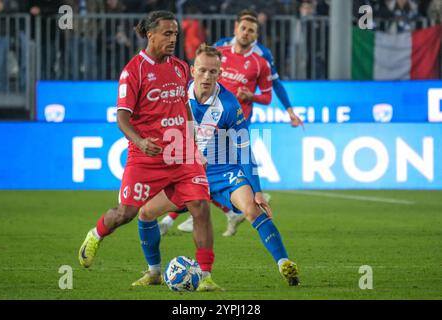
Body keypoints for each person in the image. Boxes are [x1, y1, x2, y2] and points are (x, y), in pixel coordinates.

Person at [78, 11, 222, 292]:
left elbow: (186, 109)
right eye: (167, 33)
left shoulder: (181, 68)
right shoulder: (133, 71)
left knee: (200, 207)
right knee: (126, 213)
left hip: (181, 154)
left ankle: (205, 276)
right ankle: (96, 233)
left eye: (176, 34)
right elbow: (122, 118)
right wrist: (141, 142)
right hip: (146, 156)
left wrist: (193, 144)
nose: (173, 39)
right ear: (150, 34)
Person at [140, 44, 300, 286]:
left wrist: (257, 190)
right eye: (203, 70)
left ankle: (284, 264)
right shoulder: (176, 95)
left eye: (213, 72)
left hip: (224, 172)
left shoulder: (229, 104)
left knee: (252, 209)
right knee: (145, 212)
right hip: (188, 174)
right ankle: (153, 273)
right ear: (193, 70)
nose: (207, 76)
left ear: (220, 73)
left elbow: (244, 149)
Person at [160, 9, 303, 236]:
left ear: (257, 34)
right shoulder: (220, 48)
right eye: (244, 28)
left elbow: (271, 90)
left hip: (234, 125)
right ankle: (217, 210)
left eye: (252, 31)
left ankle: (187, 213)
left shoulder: (262, 57)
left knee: (203, 169)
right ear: (236, 27)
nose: (247, 33)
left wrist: (286, 109)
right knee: (198, 167)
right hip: (207, 119)